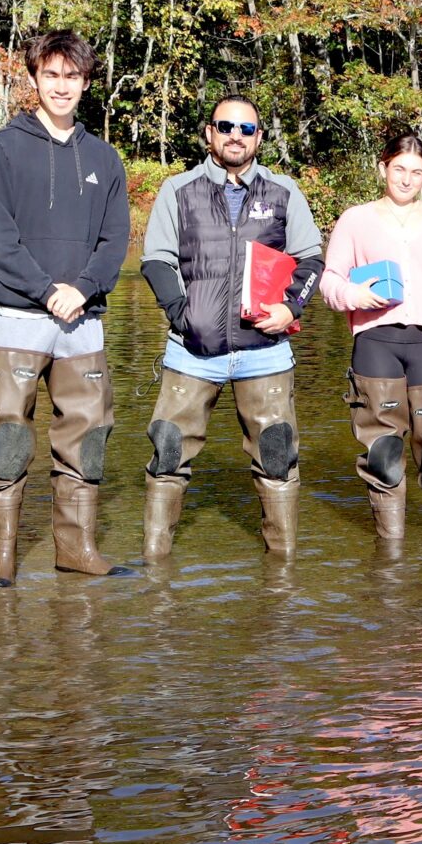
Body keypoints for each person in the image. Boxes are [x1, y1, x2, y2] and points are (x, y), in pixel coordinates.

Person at [0, 27, 133, 588]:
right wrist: (46, 291)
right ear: (35, 78)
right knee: (10, 438)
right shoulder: (3, 148)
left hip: (83, 322)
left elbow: (115, 241)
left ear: (86, 83)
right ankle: (3, 559)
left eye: (72, 76)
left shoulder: (104, 158)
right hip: (18, 319)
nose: (61, 86)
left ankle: (77, 550)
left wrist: (82, 288)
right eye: (51, 75)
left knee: (87, 436)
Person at [137, 95, 324, 561]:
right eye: (225, 126)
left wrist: (292, 307)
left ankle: (280, 581)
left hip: (265, 351)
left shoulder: (284, 192)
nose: (235, 136)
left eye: (246, 129)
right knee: (167, 454)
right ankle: (156, 576)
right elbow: (156, 260)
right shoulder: (178, 190)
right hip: (191, 353)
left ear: (259, 137)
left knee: (278, 460)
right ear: (209, 134)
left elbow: (312, 260)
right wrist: (183, 315)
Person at [321, 129, 422, 544]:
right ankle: (390, 563)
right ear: (383, 167)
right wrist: (353, 294)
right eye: (399, 169)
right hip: (375, 343)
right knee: (383, 455)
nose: (407, 179)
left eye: (417, 172)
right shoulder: (355, 219)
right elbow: (329, 280)